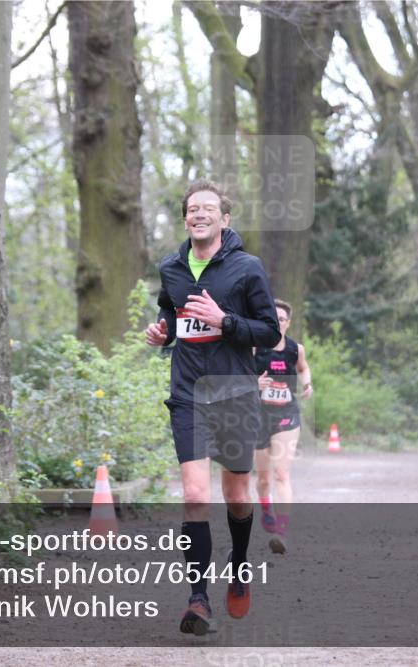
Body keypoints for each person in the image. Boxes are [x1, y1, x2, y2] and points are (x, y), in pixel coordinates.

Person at [145, 179, 280, 635]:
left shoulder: (247, 268)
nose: (198, 214)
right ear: (185, 218)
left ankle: (239, 563)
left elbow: (268, 332)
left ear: (224, 219)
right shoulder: (172, 267)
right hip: (188, 394)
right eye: (191, 209)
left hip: (236, 394)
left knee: (236, 496)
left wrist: (225, 321)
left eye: (208, 208)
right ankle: (198, 599)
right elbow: (172, 310)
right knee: (196, 495)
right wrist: (163, 330)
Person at [253, 299, 312, 555]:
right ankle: (266, 507)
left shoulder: (295, 349)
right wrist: (255, 384)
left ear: (288, 323)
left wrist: (307, 383)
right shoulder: (255, 347)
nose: (277, 322)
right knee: (264, 479)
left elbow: (303, 368)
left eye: (282, 319)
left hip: (286, 415)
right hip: (257, 417)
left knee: (281, 474)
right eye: (272, 317)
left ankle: (282, 531)